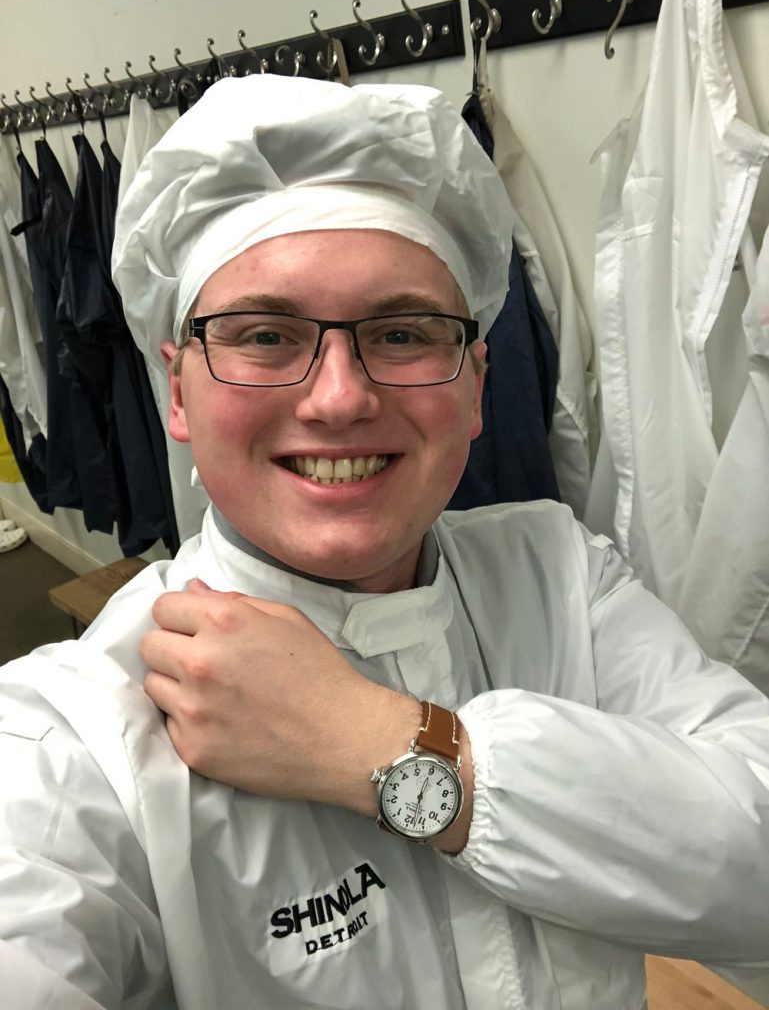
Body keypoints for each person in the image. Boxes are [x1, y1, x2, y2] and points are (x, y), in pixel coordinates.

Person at [1, 75, 768, 1010]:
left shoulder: (560, 573)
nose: (338, 398)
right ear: (176, 389)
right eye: (265, 334)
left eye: (402, 332)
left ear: (478, 385)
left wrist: (378, 743)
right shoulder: (72, 732)